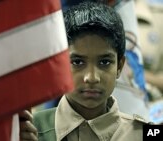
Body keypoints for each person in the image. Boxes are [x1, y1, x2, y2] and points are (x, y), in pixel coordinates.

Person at [20, 1, 150, 141]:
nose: (92, 78)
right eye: (77, 62)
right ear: (60, 65)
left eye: (104, 62)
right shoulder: (28, 131)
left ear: (119, 66)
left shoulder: (144, 134)